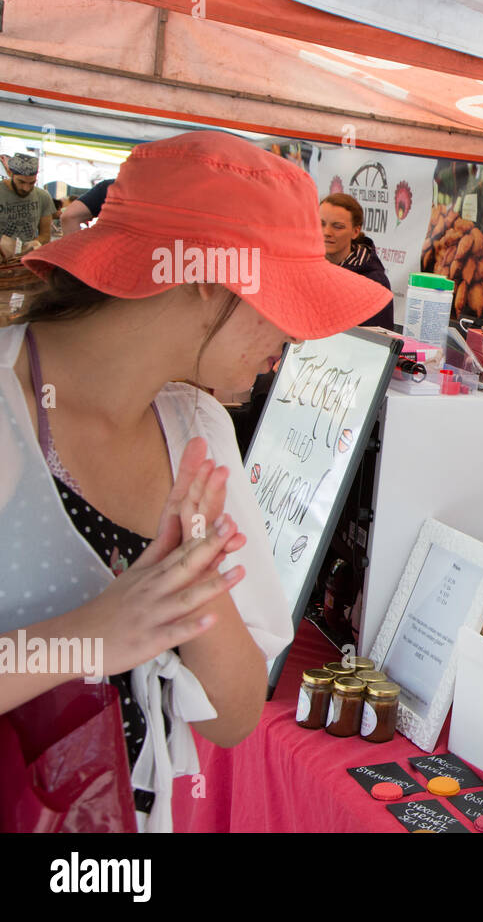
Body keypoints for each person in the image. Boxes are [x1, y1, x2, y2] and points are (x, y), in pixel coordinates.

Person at [0, 131, 392, 831]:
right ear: (211, 278)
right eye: (287, 298)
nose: (296, 340)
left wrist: (197, 586)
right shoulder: (10, 406)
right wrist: (91, 635)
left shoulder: (198, 432)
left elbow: (234, 718)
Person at [320, 192, 394, 331]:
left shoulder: (374, 282)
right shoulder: (304, 271)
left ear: (355, 231)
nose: (327, 232)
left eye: (338, 226)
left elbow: (377, 343)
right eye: (321, 224)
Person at [0, 153, 55, 250]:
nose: (26, 188)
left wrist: (37, 242)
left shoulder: (43, 197)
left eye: (32, 183)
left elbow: (45, 235)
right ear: (10, 173)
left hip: (24, 259)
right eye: (21, 182)